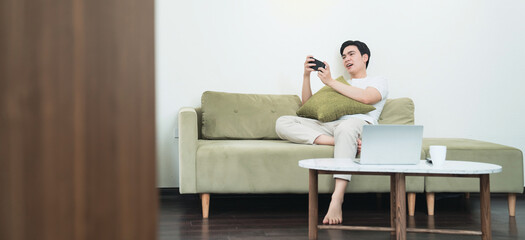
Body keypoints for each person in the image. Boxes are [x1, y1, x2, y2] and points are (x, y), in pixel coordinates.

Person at [275, 40, 388, 225]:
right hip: (330, 127)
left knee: (347, 128)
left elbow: (367, 98)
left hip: (358, 124)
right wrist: (306, 76)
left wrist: (331, 81)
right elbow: (308, 106)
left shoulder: (377, 81)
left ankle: (337, 198)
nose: (346, 59)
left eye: (351, 54)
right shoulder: (340, 84)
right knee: (283, 122)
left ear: (364, 57)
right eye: (343, 56)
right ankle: (338, 141)